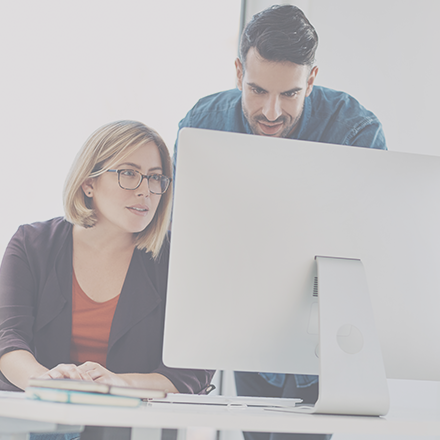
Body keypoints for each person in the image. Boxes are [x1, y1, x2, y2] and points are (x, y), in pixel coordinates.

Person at [174, 4, 386, 440]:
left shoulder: (356, 132)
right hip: (243, 322)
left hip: (325, 329)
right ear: (238, 72)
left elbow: (371, 244)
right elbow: (184, 235)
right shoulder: (202, 125)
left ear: (310, 79)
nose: (271, 112)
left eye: (289, 94)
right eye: (257, 90)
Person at [0, 120, 214, 440]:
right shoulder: (31, 244)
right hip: (40, 424)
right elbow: (8, 340)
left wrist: (119, 383)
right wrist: (47, 382)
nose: (145, 190)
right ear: (89, 183)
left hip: (136, 428)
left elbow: (193, 372)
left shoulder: (177, 257)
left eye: (155, 178)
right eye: (128, 173)